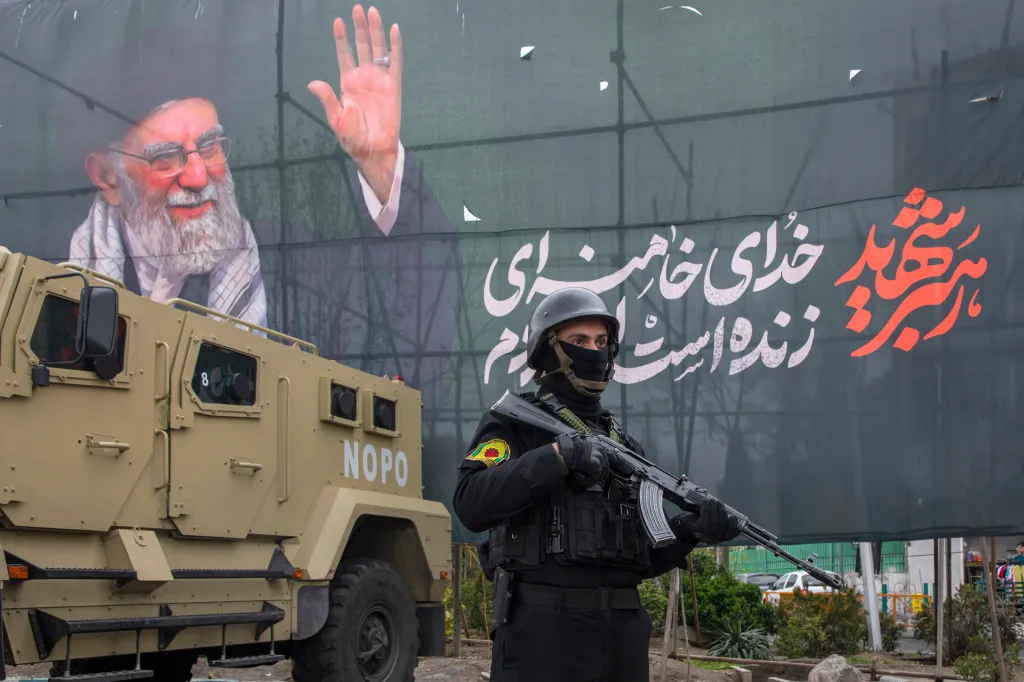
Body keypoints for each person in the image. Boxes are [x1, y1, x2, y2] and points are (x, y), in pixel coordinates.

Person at [452, 286, 742, 682]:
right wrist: (556, 457)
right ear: (549, 349)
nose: (595, 350)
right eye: (579, 341)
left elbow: (639, 557)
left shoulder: (624, 446)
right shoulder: (515, 424)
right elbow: (471, 503)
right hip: (544, 636)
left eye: (602, 341)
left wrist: (688, 533)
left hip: (622, 635)